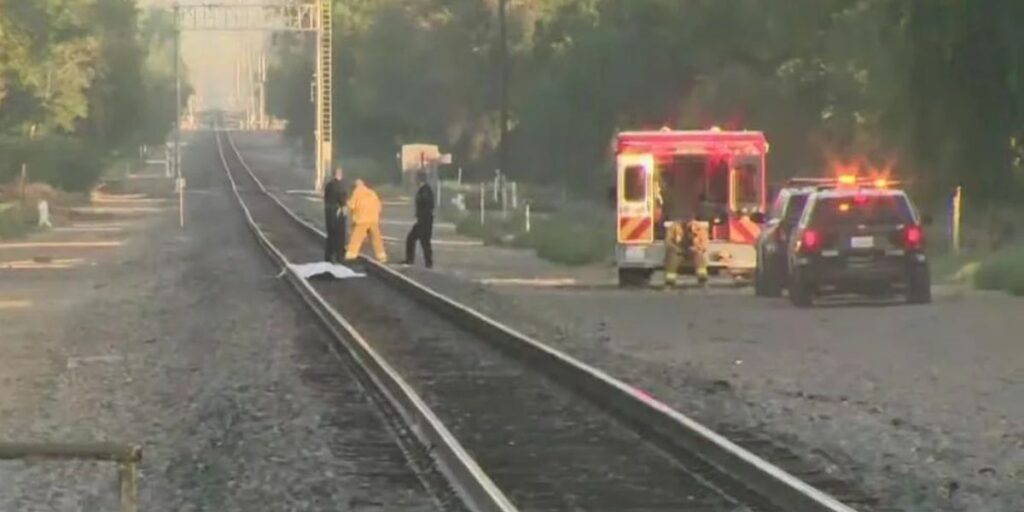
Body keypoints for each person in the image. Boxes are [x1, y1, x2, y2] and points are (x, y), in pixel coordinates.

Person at [344, 178, 388, 263]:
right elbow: (379, 207)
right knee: (376, 238)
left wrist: (346, 203)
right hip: (373, 219)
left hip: (362, 219)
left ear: (355, 186)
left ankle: (351, 255)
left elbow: (352, 205)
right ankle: (382, 256)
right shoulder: (372, 192)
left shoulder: (357, 192)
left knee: (356, 238)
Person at [404, 172, 435, 267]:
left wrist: (422, 214)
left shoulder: (425, 190)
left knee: (424, 242)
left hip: (425, 220)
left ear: (420, 180)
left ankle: (428, 263)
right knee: (411, 239)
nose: (415, 181)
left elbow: (428, 203)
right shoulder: (423, 190)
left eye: (416, 179)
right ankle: (411, 260)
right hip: (422, 220)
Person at [323, 166, 348, 263]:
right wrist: (344, 209)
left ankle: (328, 256)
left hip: (328, 212)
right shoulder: (340, 186)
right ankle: (339, 257)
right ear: (340, 174)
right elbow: (342, 199)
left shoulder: (328, 185)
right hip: (337, 213)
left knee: (330, 235)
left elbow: (326, 198)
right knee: (339, 236)